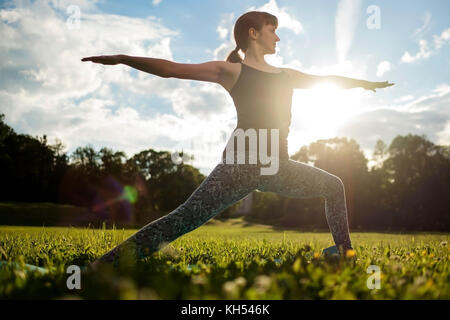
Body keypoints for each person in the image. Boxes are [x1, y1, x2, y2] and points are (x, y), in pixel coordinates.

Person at [81, 11, 394, 269]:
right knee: (185, 219)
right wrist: (123, 58)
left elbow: (327, 81)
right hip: (240, 165)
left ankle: (344, 255)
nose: (278, 37)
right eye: (273, 30)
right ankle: (103, 265)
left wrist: (363, 84)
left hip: (276, 166)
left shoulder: (286, 75)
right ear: (253, 33)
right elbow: (171, 70)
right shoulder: (232, 71)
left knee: (333, 186)